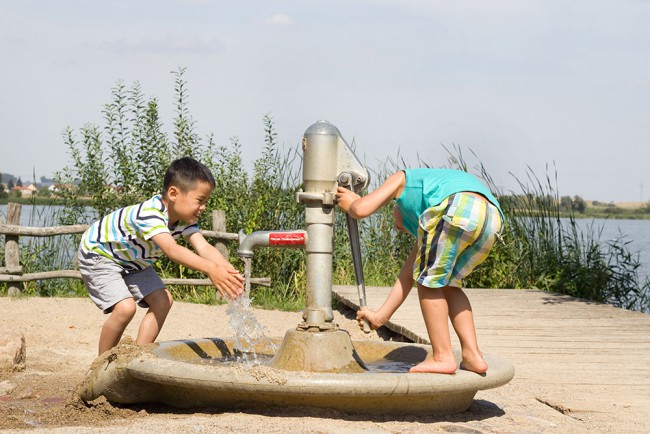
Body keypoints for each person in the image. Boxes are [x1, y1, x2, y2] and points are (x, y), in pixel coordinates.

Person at [336, 168, 503, 374]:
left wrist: (352, 201)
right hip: (491, 218)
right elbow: (406, 277)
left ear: (396, 203)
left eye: (401, 224)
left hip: (456, 208)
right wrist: (380, 317)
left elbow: (361, 210)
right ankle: (473, 356)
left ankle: (443, 357)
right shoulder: (430, 213)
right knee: (448, 285)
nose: (400, 228)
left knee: (427, 283)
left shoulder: (402, 178)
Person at [78, 156, 244, 356]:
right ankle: (102, 365)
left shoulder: (184, 220)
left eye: (206, 201)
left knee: (163, 301)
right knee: (125, 309)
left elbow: (205, 248)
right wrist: (211, 269)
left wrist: (229, 273)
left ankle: (136, 357)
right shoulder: (150, 214)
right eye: (200, 200)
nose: (204, 207)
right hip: (100, 254)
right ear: (174, 193)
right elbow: (172, 250)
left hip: (134, 262)